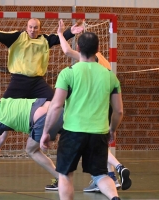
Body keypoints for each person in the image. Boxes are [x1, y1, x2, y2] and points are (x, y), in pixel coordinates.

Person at [0, 18, 83, 152]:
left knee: (57, 104)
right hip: (18, 81)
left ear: (40, 29)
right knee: (1, 109)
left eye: (36, 27)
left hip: (37, 82)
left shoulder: (44, 39)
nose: (33, 30)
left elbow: (58, 38)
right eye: (30, 27)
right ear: (26, 27)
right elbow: (3, 36)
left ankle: (69, 131)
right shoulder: (18, 37)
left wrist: (71, 31)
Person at [40, 31, 124, 200]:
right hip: (99, 133)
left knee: (65, 174)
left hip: (72, 132)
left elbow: (56, 106)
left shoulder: (68, 73)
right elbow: (119, 110)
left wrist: (46, 132)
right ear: (97, 49)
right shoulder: (110, 76)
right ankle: (114, 198)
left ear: (77, 48)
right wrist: (112, 130)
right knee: (100, 175)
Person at [56, 19, 131, 192]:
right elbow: (119, 110)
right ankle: (113, 172)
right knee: (100, 145)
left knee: (70, 168)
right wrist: (113, 128)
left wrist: (61, 33)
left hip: (91, 106)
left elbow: (66, 50)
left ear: (81, 49)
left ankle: (112, 172)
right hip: (106, 104)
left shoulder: (86, 63)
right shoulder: (104, 64)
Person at [0, 94, 63, 186]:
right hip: (56, 108)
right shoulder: (6, 101)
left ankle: (61, 179)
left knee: (32, 150)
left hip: (42, 120)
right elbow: (5, 128)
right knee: (77, 139)